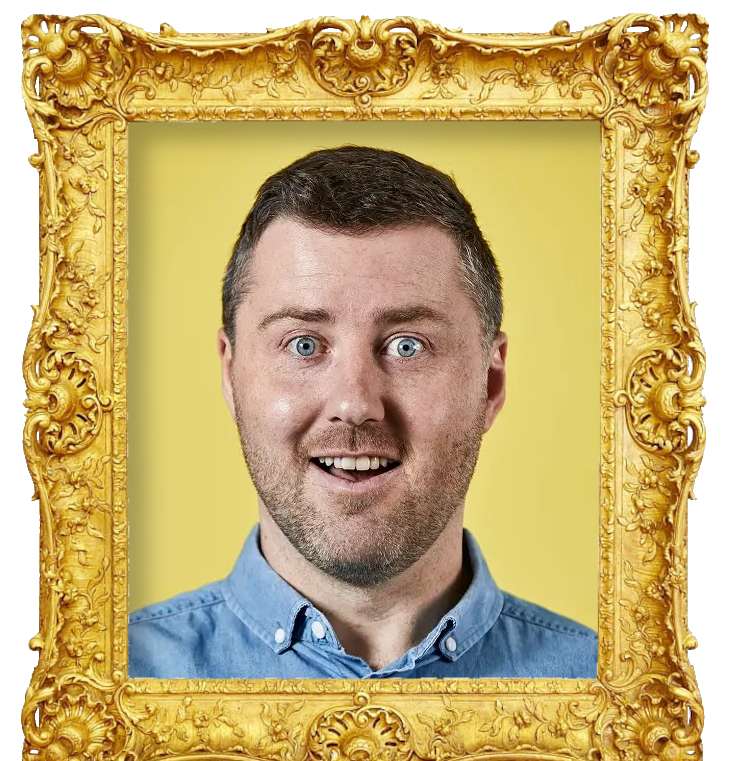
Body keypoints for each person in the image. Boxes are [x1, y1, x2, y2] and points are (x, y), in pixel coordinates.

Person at [128, 146, 597, 680]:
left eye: (407, 346)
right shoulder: (106, 690)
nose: (354, 404)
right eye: (304, 345)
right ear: (230, 377)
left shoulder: (621, 702)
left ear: (489, 383)